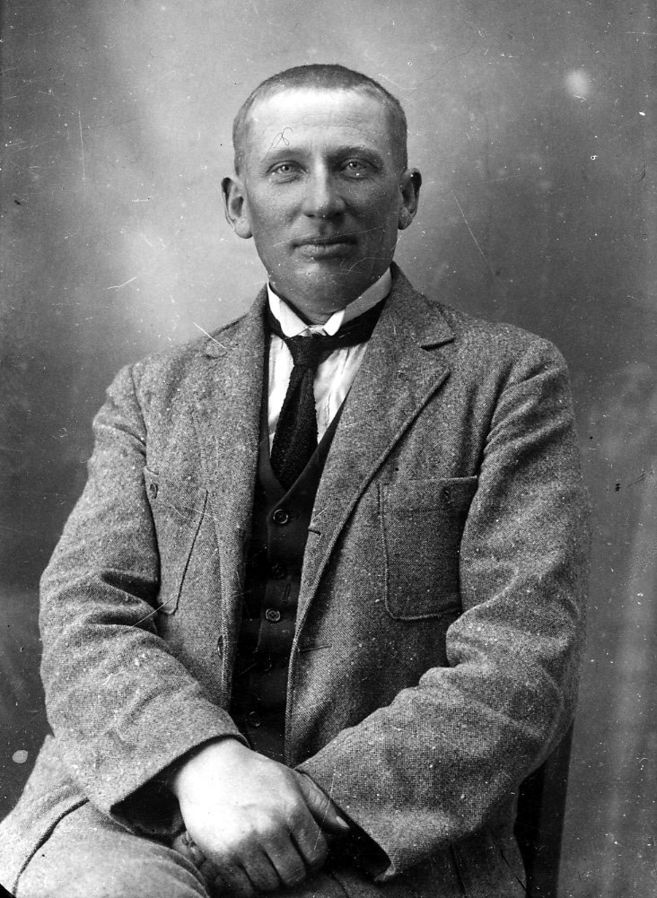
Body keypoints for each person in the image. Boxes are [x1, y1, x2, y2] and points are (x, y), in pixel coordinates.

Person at [0, 64, 589, 898]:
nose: (322, 201)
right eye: (285, 169)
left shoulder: (507, 380)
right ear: (238, 204)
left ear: (406, 196)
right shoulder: (152, 392)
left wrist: (299, 807)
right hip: (139, 801)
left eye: (354, 166)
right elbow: (85, 610)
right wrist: (201, 768)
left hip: (375, 833)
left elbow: (520, 659)